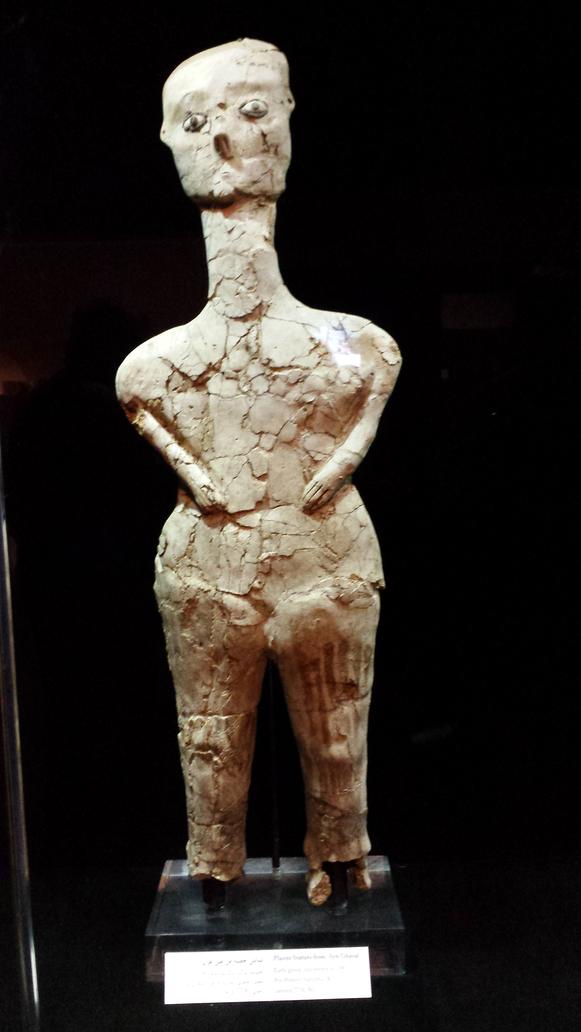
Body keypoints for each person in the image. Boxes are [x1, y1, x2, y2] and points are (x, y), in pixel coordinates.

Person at [116, 38, 401, 905]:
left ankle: (340, 854)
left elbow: (371, 389)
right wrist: (199, 475)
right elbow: (143, 402)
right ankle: (213, 868)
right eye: (196, 120)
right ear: (171, 143)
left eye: (252, 110)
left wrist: (345, 453)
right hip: (208, 563)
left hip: (328, 556)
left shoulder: (356, 345)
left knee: (338, 740)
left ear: (286, 122)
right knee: (208, 740)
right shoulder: (156, 364)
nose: (226, 138)